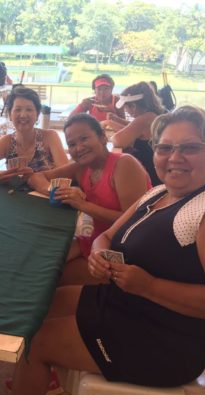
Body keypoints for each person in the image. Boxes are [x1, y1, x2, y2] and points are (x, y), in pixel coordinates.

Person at [0, 105, 205, 395]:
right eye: (165, 148)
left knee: (36, 343)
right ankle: (44, 376)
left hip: (164, 341)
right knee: (41, 305)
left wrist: (149, 286)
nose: (174, 157)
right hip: (127, 306)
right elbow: (107, 236)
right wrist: (99, 255)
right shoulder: (160, 193)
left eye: (190, 147)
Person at [29, 114, 150, 285]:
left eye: (84, 138)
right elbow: (36, 177)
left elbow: (135, 222)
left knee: (49, 276)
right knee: (41, 261)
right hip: (96, 240)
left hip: (124, 253)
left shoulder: (125, 164)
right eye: (72, 144)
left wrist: (82, 205)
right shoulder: (81, 166)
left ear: (102, 137)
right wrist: (55, 191)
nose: (79, 148)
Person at [0, 87, 68, 182]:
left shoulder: (49, 137)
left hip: (46, 190)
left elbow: (67, 172)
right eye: (18, 110)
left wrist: (36, 176)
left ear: (37, 115)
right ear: (10, 115)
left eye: (29, 109)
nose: (23, 115)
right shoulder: (7, 142)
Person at [105, 81, 166, 186]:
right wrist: (117, 120)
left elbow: (117, 141)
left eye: (126, 107)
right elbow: (134, 128)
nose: (126, 110)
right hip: (157, 170)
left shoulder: (145, 119)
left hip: (150, 175)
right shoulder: (152, 114)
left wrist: (108, 123)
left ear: (133, 106)